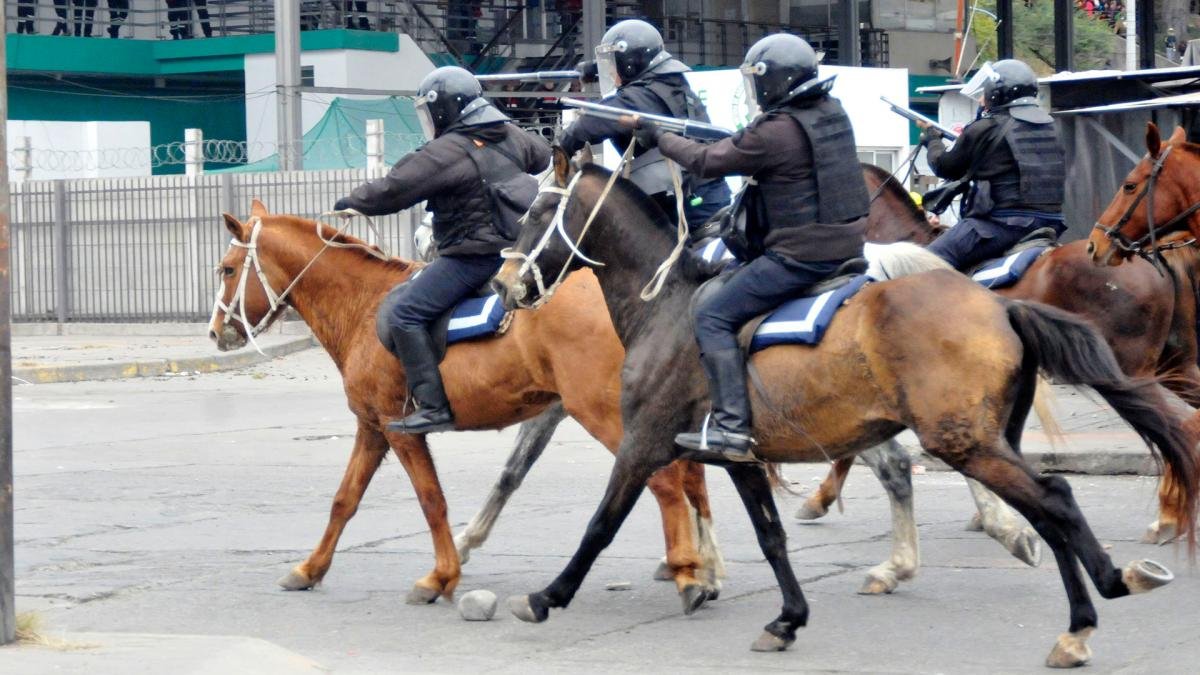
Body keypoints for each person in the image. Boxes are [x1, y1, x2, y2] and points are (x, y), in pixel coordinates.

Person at [634, 33, 869, 462]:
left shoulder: (776, 131)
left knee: (712, 312)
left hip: (799, 257)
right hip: (846, 245)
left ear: (774, 80)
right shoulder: (831, 112)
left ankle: (732, 429)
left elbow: (708, 162)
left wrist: (661, 137)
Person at [332, 66, 550, 434]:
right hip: (520, 252)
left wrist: (351, 202)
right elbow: (542, 156)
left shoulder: (446, 152)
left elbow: (394, 189)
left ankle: (433, 406)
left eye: (427, 111)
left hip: (474, 258)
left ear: (445, 108)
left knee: (404, 313)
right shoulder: (507, 134)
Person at [559, 19, 732, 232]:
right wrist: (595, 68)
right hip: (705, 195)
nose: (610, 72)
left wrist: (560, 149)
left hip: (691, 209)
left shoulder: (641, 97)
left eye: (614, 64)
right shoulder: (668, 84)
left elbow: (585, 127)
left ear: (629, 63)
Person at [917, 59, 1066, 272]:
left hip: (1000, 225)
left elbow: (945, 167)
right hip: (1052, 223)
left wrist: (932, 140)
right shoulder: (1052, 126)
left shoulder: (986, 127)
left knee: (924, 263)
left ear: (998, 93)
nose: (980, 100)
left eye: (984, 93)